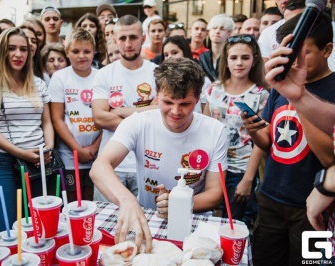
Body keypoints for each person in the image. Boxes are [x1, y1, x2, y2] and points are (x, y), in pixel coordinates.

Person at [90, 57, 228, 252]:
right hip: (147, 215)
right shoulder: (138, 122)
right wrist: (127, 200)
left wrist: (179, 203)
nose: (175, 111)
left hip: (193, 219)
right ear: (157, 94)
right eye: (168, 102)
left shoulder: (215, 130)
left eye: (185, 104)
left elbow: (215, 193)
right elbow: (99, 168)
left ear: (198, 98)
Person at [242, 12, 335, 265]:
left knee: (310, 264)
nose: (294, 61)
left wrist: (299, 99)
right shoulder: (280, 85)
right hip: (271, 196)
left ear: (327, 49)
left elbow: (330, 159)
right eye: (288, 52)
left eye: (303, 53)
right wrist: (254, 129)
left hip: (314, 207)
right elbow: (268, 141)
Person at [0, 27, 54, 235]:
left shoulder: (38, 84)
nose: (18, 54)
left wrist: (49, 147)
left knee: (41, 228)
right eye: (11, 49)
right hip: (4, 163)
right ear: (1, 51)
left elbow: (47, 122)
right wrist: (22, 153)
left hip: (39, 162)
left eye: (23, 49)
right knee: (7, 230)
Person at [91, 15, 158, 202]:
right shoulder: (104, 74)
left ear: (143, 39)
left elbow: (161, 115)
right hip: (112, 165)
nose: (128, 43)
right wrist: (146, 113)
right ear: (114, 40)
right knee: (105, 224)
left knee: (146, 225)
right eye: (122, 38)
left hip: (146, 165)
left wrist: (120, 111)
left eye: (133, 37)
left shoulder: (157, 73)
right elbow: (99, 118)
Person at [203, 34, 268, 226]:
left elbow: (260, 141)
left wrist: (248, 179)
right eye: (233, 58)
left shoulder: (260, 95)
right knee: (208, 221)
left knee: (233, 224)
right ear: (226, 60)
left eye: (245, 58)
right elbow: (204, 127)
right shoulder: (214, 89)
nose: (239, 63)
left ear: (254, 60)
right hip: (213, 165)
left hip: (240, 169)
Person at [49, 28, 102, 202]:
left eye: (87, 51)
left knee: (92, 197)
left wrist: (94, 147)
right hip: (69, 156)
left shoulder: (102, 76)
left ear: (94, 52)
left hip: (98, 153)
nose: (82, 56)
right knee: (72, 200)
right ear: (67, 52)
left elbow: (107, 116)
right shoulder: (59, 77)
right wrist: (77, 150)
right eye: (76, 51)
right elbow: (57, 119)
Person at [199, 14, 235, 83]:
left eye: (222, 29)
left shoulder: (232, 56)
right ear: (209, 32)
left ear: (229, 33)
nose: (217, 31)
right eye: (214, 28)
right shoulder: (203, 57)